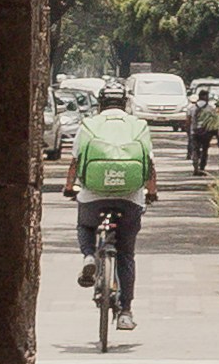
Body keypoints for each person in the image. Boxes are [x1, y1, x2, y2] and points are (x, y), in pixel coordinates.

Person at [66, 87, 160, 330]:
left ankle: (89, 255)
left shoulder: (88, 125)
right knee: (126, 255)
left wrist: (69, 187)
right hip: (129, 200)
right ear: (125, 103)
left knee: (85, 225)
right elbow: (149, 164)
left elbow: (75, 162)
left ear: (101, 103)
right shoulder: (138, 125)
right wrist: (151, 191)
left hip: (93, 196)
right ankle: (126, 312)